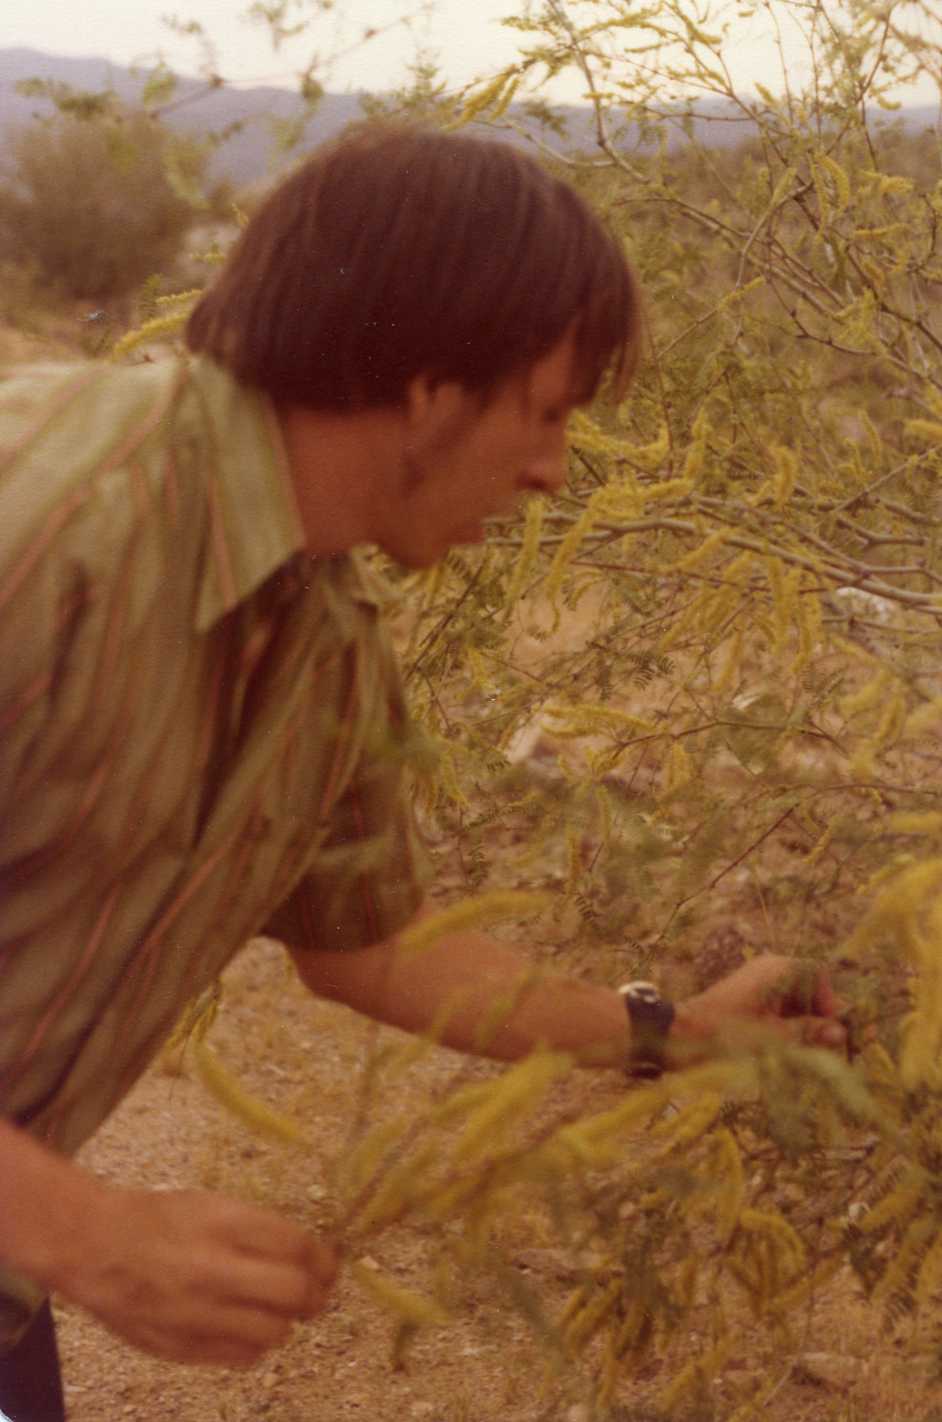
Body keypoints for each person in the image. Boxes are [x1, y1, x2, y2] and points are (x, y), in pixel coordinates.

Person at [0, 121, 846, 1419]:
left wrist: (674, 1036)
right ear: (429, 380)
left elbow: (375, 948)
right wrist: (88, 1233)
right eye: (548, 409)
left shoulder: (323, 656)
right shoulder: (50, 515)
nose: (553, 473)